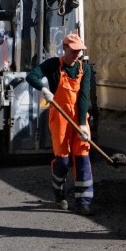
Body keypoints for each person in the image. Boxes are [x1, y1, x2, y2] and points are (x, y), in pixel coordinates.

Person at [26, 33, 94, 215]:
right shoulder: (53, 65)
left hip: (79, 117)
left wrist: (82, 124)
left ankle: (84, 201)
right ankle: (59, 192)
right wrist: (43, 89)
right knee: (63, 161)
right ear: (65, 48)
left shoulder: (84, 69)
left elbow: (84, 96)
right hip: (60, 118)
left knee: (82, 158)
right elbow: (31, 76)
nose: (77, 54)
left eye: (79, 51)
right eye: (74, 51)